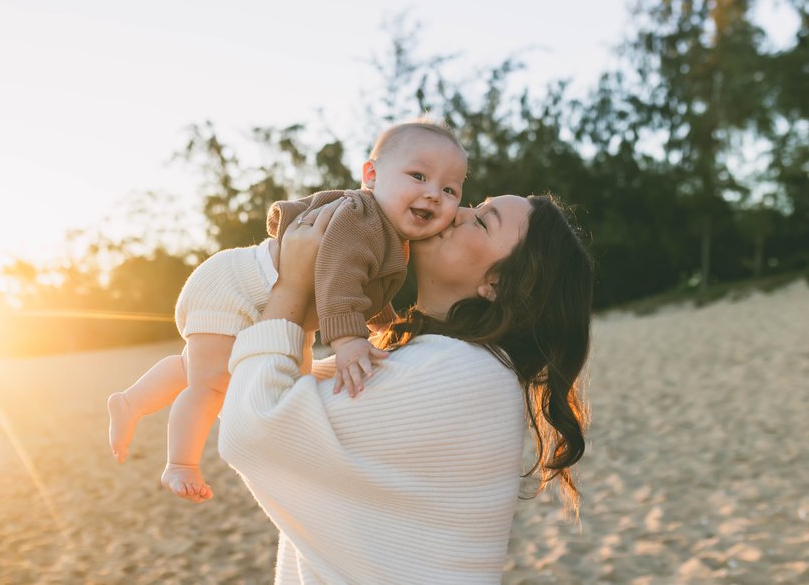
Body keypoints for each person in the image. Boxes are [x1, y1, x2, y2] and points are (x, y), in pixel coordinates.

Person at [218, 193, 593, 584]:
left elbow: (251, 426)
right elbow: (253, 393)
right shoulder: (427, 358)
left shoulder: (462, 372)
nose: (456, 212)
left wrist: (291, 286)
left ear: (496, 284)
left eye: (482, 221)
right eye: (473, 206)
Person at [107, 121, 469, 502]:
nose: (432, 195)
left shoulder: (388, 234)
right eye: (418, 176)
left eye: (449, 189)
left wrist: (389, 326)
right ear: (372, 175)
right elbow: (339, 276)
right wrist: (347, 340)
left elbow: (367, 291)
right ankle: (180, 463)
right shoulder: (361, 217)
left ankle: (130, 402)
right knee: (213, 382)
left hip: (264, 299)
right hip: (236, 288)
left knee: (209, 369)